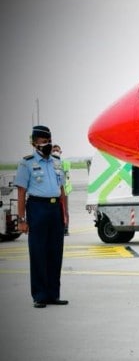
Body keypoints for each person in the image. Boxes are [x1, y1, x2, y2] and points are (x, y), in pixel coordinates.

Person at [15, 125, 69, 308]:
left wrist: (65, 212)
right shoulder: (26, 163)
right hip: (37, 207)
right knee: (38, 252)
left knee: (55, 252)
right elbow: (21, 193)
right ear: (34, 143)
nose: (47, 144)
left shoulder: (56, 162)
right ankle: (39, 295)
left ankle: (53, 294)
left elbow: (62, 189)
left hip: (55, 209)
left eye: (48, 141)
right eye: (43, 142)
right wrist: (21, 220)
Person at [52, 144, 71, 235]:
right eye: (54, 150)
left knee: (65, 209)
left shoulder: (64, 162)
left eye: (57, 150)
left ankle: (66, 228)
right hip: (54, 190)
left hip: (64, 189)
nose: (55, 152)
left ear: (60, 152)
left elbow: (66, 176)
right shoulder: (49, 163)